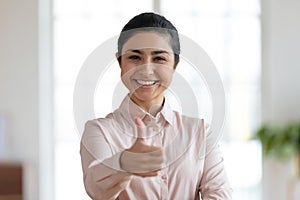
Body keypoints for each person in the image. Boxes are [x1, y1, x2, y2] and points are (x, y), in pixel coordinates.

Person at [80, 12, 232, 200]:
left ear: (175, 65)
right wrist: (124, 162)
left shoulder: (199, 132)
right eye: (135, 57)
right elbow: (96, 189)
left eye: (159, 58)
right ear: (119, 61)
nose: (146, 68)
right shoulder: (99, 131)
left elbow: (219, 195)